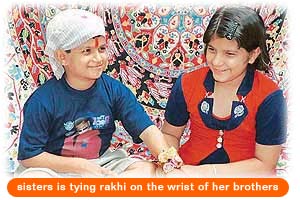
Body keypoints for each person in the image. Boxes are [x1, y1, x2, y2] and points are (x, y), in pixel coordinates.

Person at [16, 8, 182, 178]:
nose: (98, 58)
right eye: (86, 51)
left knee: (147, 170)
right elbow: (29, 156)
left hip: (103, 163)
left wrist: (166, 156)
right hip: (56, 168)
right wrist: (78, 166)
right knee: (31, 179)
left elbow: (146, 129)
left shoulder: (114, 90)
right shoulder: (42, 101)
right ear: (62, 57)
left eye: (102, 49)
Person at [161, 6, 287, 177]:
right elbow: (169, 134)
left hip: (242, 180)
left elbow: (265, 166)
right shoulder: (187, 83)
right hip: (186, 171)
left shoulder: (270, 97)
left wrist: (201, 174)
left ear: (252, 55)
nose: (216, 61)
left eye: (229, 53)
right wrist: (170, 161)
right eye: (212, 50)